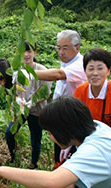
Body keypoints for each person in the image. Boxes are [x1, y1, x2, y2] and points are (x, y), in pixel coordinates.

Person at [34, 30, 87, 178]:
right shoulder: (66, 62)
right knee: (60, 151)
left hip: (72, 119)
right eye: (58, 48)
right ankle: (58, 177)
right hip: (61, 116)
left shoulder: (80, 64)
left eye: (65, 48)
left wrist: (27, 73)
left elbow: (58, 75)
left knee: (72, 154)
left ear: (77, 47)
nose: (61, 52)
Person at [5, 41, 52, 169]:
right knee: (9, 132)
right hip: (22, 109)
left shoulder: (43, 70)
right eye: (23, 52)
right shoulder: (17, 70)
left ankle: (33, 164)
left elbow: (46, 93)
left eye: (29, 51)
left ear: (35, 53)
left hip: (37, 111)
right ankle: (13, 157)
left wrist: (32, 102)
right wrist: (17, 102)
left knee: (35, 138)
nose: (26, 55)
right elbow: (15, 90)